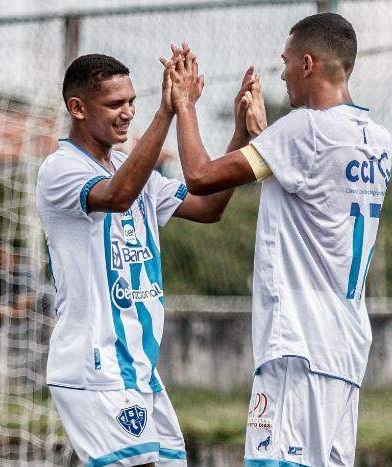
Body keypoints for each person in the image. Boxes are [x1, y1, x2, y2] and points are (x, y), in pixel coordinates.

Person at [169, 14, 392, 466]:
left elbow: (198, 177)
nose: (283, 72)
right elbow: (306, 178)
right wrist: (262, 135)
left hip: (298, 346)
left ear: (307, 64)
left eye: (285, 62)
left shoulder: (304, 129)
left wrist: (183, 104)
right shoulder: (377, 140)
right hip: (344, 350)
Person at [35, 50, 256, 467]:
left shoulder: (132, 170)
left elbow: (209, 208)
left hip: (138, 368)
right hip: (94, 365)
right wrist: (168, 112)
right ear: (77, 108)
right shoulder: (60, 169)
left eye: (132, 102)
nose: (127, 113)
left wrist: (240, 137)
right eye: (115, 104)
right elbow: (117, 197)